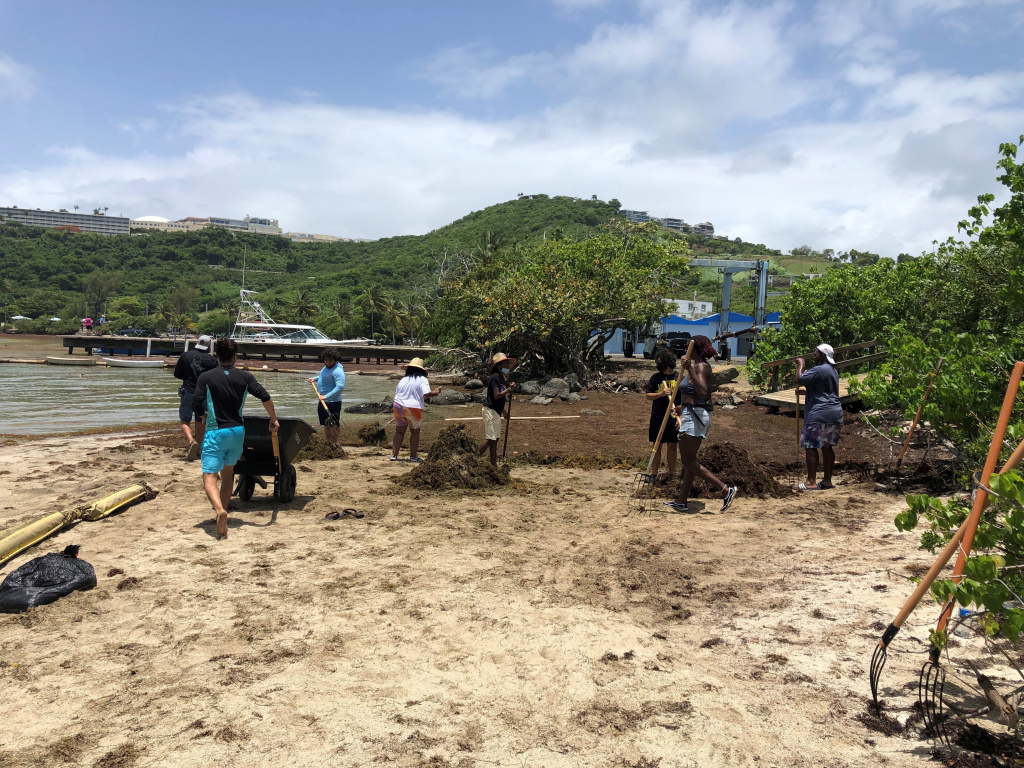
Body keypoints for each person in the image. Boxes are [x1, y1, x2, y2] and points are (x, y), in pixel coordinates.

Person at [193, 338, 279, 540]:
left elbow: (196, 403)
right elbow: (265, 396)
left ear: (216, 356)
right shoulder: (245, 376)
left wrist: (204, 416)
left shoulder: (206, 377)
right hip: (237, 432)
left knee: (209, 476)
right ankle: (223, 512)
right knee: (228, 473)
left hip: (216, 431)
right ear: (235, 357)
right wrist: (273, 419)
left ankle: (219, 511)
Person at [664, 334, 737, 513]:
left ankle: (725, 490)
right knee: (691, 461)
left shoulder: (701, 367)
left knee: (688, 460)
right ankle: (682, 500)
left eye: (689, 347)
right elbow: (693, 394)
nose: (686, 350)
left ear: (695, 349)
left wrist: (689, 369)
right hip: (691, 412)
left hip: (695, 417)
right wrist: (681, 407)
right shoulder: (696, 366)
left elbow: (704, 392)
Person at [796, 343, 843, 490]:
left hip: (819, 414)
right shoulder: (833, 371)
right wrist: (807, 393)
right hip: (834, 413)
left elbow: (799, 379)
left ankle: (811, 481)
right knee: (827, 447)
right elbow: (826, 392)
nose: (814, 355)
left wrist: (801, 364)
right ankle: (827, 481)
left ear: (823, 355)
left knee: (810, 445)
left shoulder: (819, 369)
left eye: (816, 353)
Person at [174, 334, 217, 460]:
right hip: (204, 394)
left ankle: (191, 441)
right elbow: (215, 379)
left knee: (185, 420)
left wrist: (188, 377)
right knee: (201, 420)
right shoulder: (212, 360)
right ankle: (198, 450)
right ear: (209, 347)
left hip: (188, 391)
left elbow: (177, 374)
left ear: (197, 343)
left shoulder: (185, 356)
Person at [390, 357, 440, 462]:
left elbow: (400, 394)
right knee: (415, 432)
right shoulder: (422, 379)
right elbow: (426, 393)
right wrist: (436, 393)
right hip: (413, 407)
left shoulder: (403, 380)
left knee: (399, 431)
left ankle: (394, 455)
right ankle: (413, 456)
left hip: (398, 405)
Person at [645, 348, 682, 481]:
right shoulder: (656, 378)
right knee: (657, 445)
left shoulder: (679, 378)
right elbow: (648, 396)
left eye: (659, 362)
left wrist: (681, 416)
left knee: (672, 446)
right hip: (658, 416)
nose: (658, 365)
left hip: (673, 417)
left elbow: (685, 400)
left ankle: (672, 474)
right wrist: (660, 394)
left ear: (667, 362)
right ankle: (654, 474)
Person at [479, 352, 516, 468]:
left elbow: (501, 398)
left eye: (508, 364)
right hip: (490, 411)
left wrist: (504, 411)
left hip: (496, 411)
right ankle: (475, 457)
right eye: (505, 364)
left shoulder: (501, 378)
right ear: (499, 366)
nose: (507, 366)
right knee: (491, 439)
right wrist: (509, 390)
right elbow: (496, 395)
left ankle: (493, 464)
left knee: (496, 438)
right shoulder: (495, 377)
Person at [308, 347, 346, 445]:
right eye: (326, 360)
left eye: (330, 360)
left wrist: (326, 396)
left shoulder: (338, 371)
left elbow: (340, 387)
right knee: (326, 423)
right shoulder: (325, 368)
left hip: (333, 402)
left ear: (335, 360)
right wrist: (315, 379)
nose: (327, 362)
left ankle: (334, 443)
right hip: (323, 401)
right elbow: (323, 376)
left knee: (334, 424)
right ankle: (328, 442)